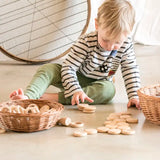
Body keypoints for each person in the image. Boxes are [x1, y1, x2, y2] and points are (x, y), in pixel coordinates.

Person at [10, 0, 141, 109]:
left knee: (109, 90)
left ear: (128, 34)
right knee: (48, 69)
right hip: (75, 75)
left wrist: (134, 96)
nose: (110, 47)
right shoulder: (86, 42)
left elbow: (130, 69)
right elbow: (68, 68)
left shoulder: (126, 44)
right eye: (105, 40)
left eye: (117, 42)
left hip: (100, 82)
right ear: (96, 25)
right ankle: (29, 97)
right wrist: (75, 89)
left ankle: (54, 98)